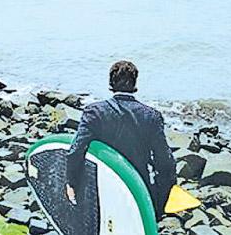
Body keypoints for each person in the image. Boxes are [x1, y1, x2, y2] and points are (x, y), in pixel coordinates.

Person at [66, 60, 176, 220]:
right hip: (138, 189)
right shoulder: (151, 116)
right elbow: (164, 161)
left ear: (111, 82)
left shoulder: (94, 112)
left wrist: (71, 183)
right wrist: (160, 201)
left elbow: (76, 150)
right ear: (135, 83)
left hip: (102, 186)